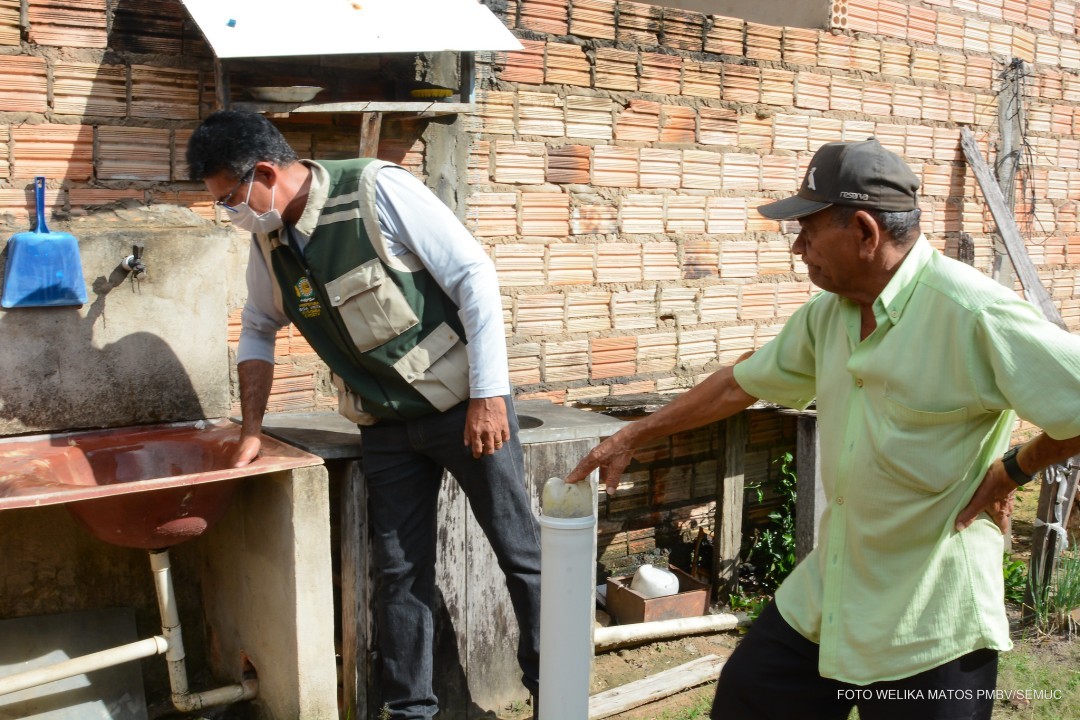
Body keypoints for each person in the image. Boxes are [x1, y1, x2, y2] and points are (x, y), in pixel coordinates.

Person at [567, 138, 1080, 720]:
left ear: (864, 232)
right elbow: (741, 383)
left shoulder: (972, 313)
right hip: (834, 589)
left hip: (929, 614)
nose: (797, 248)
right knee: (749, 699)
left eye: (809, 232)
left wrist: (1015, 467)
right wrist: (634, 435)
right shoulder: (828, 314)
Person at [186, 110, 540, 719]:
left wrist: (489, 395)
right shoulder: (269, 241)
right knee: (399, 577)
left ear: (265, 173)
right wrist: (249, 432)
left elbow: (475, 275)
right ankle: (410, 713)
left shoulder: (377, 190)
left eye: (230, 198)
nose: (229, 213)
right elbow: (257, 327)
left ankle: (555, 693)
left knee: (521, 555)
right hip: (384, 426)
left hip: (465, 409)